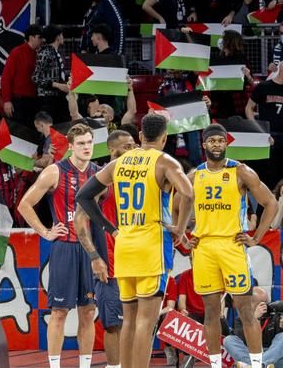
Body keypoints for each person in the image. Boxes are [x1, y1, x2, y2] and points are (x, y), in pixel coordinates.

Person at [75, 113, 194, 368]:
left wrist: (110, 228)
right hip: (152, 246)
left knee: (128, 319)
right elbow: (188, 192)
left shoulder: (119, 163)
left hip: (124, 245)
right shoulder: (165, 162)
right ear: (164, 138)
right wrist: (180, 228)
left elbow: (83, 196)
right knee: (145, 322)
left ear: (140, 136)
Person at [171, 123, 278, 368]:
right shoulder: (194, 176)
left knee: (245, 309)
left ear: (226, 144)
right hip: (204, 248)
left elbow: (271, 203)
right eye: (212, 141)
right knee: (211, 312)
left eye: (221, 140)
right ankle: (216, 364)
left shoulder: (240, 171)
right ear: (204, 144)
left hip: (232, 246)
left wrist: (256, 237)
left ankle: (256, 363)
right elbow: (175, 206)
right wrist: (185, 234)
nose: (217, 144)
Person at [16, 124, 100, 368]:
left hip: (91, 251)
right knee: (59, 312)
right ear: (71, 146)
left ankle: (85, 365)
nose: (86, 147)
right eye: (81, 143)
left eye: (89, 142)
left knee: (88, 311)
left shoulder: (99, 174)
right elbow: (25, 204)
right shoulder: (55, 171)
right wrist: (45, 232)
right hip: (65, 247)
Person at [72, 129, 138, 368]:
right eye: (127, 146)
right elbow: (79, 220)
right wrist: (94, 257)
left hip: (138, 261)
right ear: (113, 150)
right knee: (113, 325)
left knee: (137, 323)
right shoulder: (103, 180)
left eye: (134, 145)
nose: (133, 150)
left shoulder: (136, 175)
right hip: (110, 263)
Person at [246, 58, 283, 186]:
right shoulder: (263, 87)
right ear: (282, 70)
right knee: (270, 174)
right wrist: (259, 130)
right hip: (269, 136)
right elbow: (248, 108)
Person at [223, 287, 283, 368]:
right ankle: (256, 365)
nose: (266, 306)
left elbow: (282, 344)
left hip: (273, 359)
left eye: (267, 302)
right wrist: (254, 319)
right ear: (251, 304)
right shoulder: (242, 319)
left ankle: (259, 365)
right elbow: (243, 341)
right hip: (252, 355)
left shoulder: (276, 315)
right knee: (229, 340)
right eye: (262, 303)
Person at [1, 24, 44, 123]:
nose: (42, 40)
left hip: (33, 100)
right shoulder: (17, 52)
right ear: (31, 37)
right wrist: (7, 100)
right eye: (39, 37)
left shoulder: (39, 54)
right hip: (19, 101)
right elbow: (6, 77)